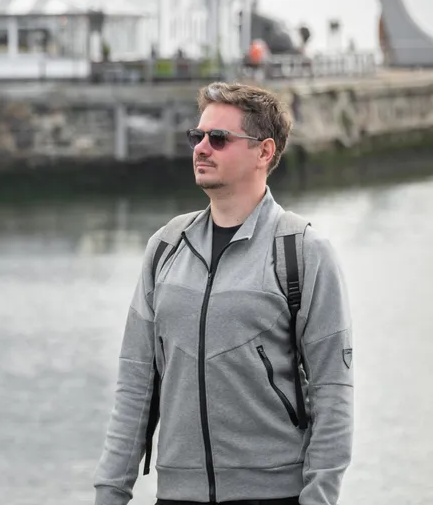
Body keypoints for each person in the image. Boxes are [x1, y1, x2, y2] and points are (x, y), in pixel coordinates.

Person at [94, 82, 354, 505]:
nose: (201, 148)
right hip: (176, 495)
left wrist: (319, 498)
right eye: (197, 136)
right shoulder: (165, 247)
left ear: (264, 152)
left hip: (273, 495)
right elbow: (135, 385)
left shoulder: (302, 250)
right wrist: (110, 493)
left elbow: (333, 391)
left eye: (219, 138)